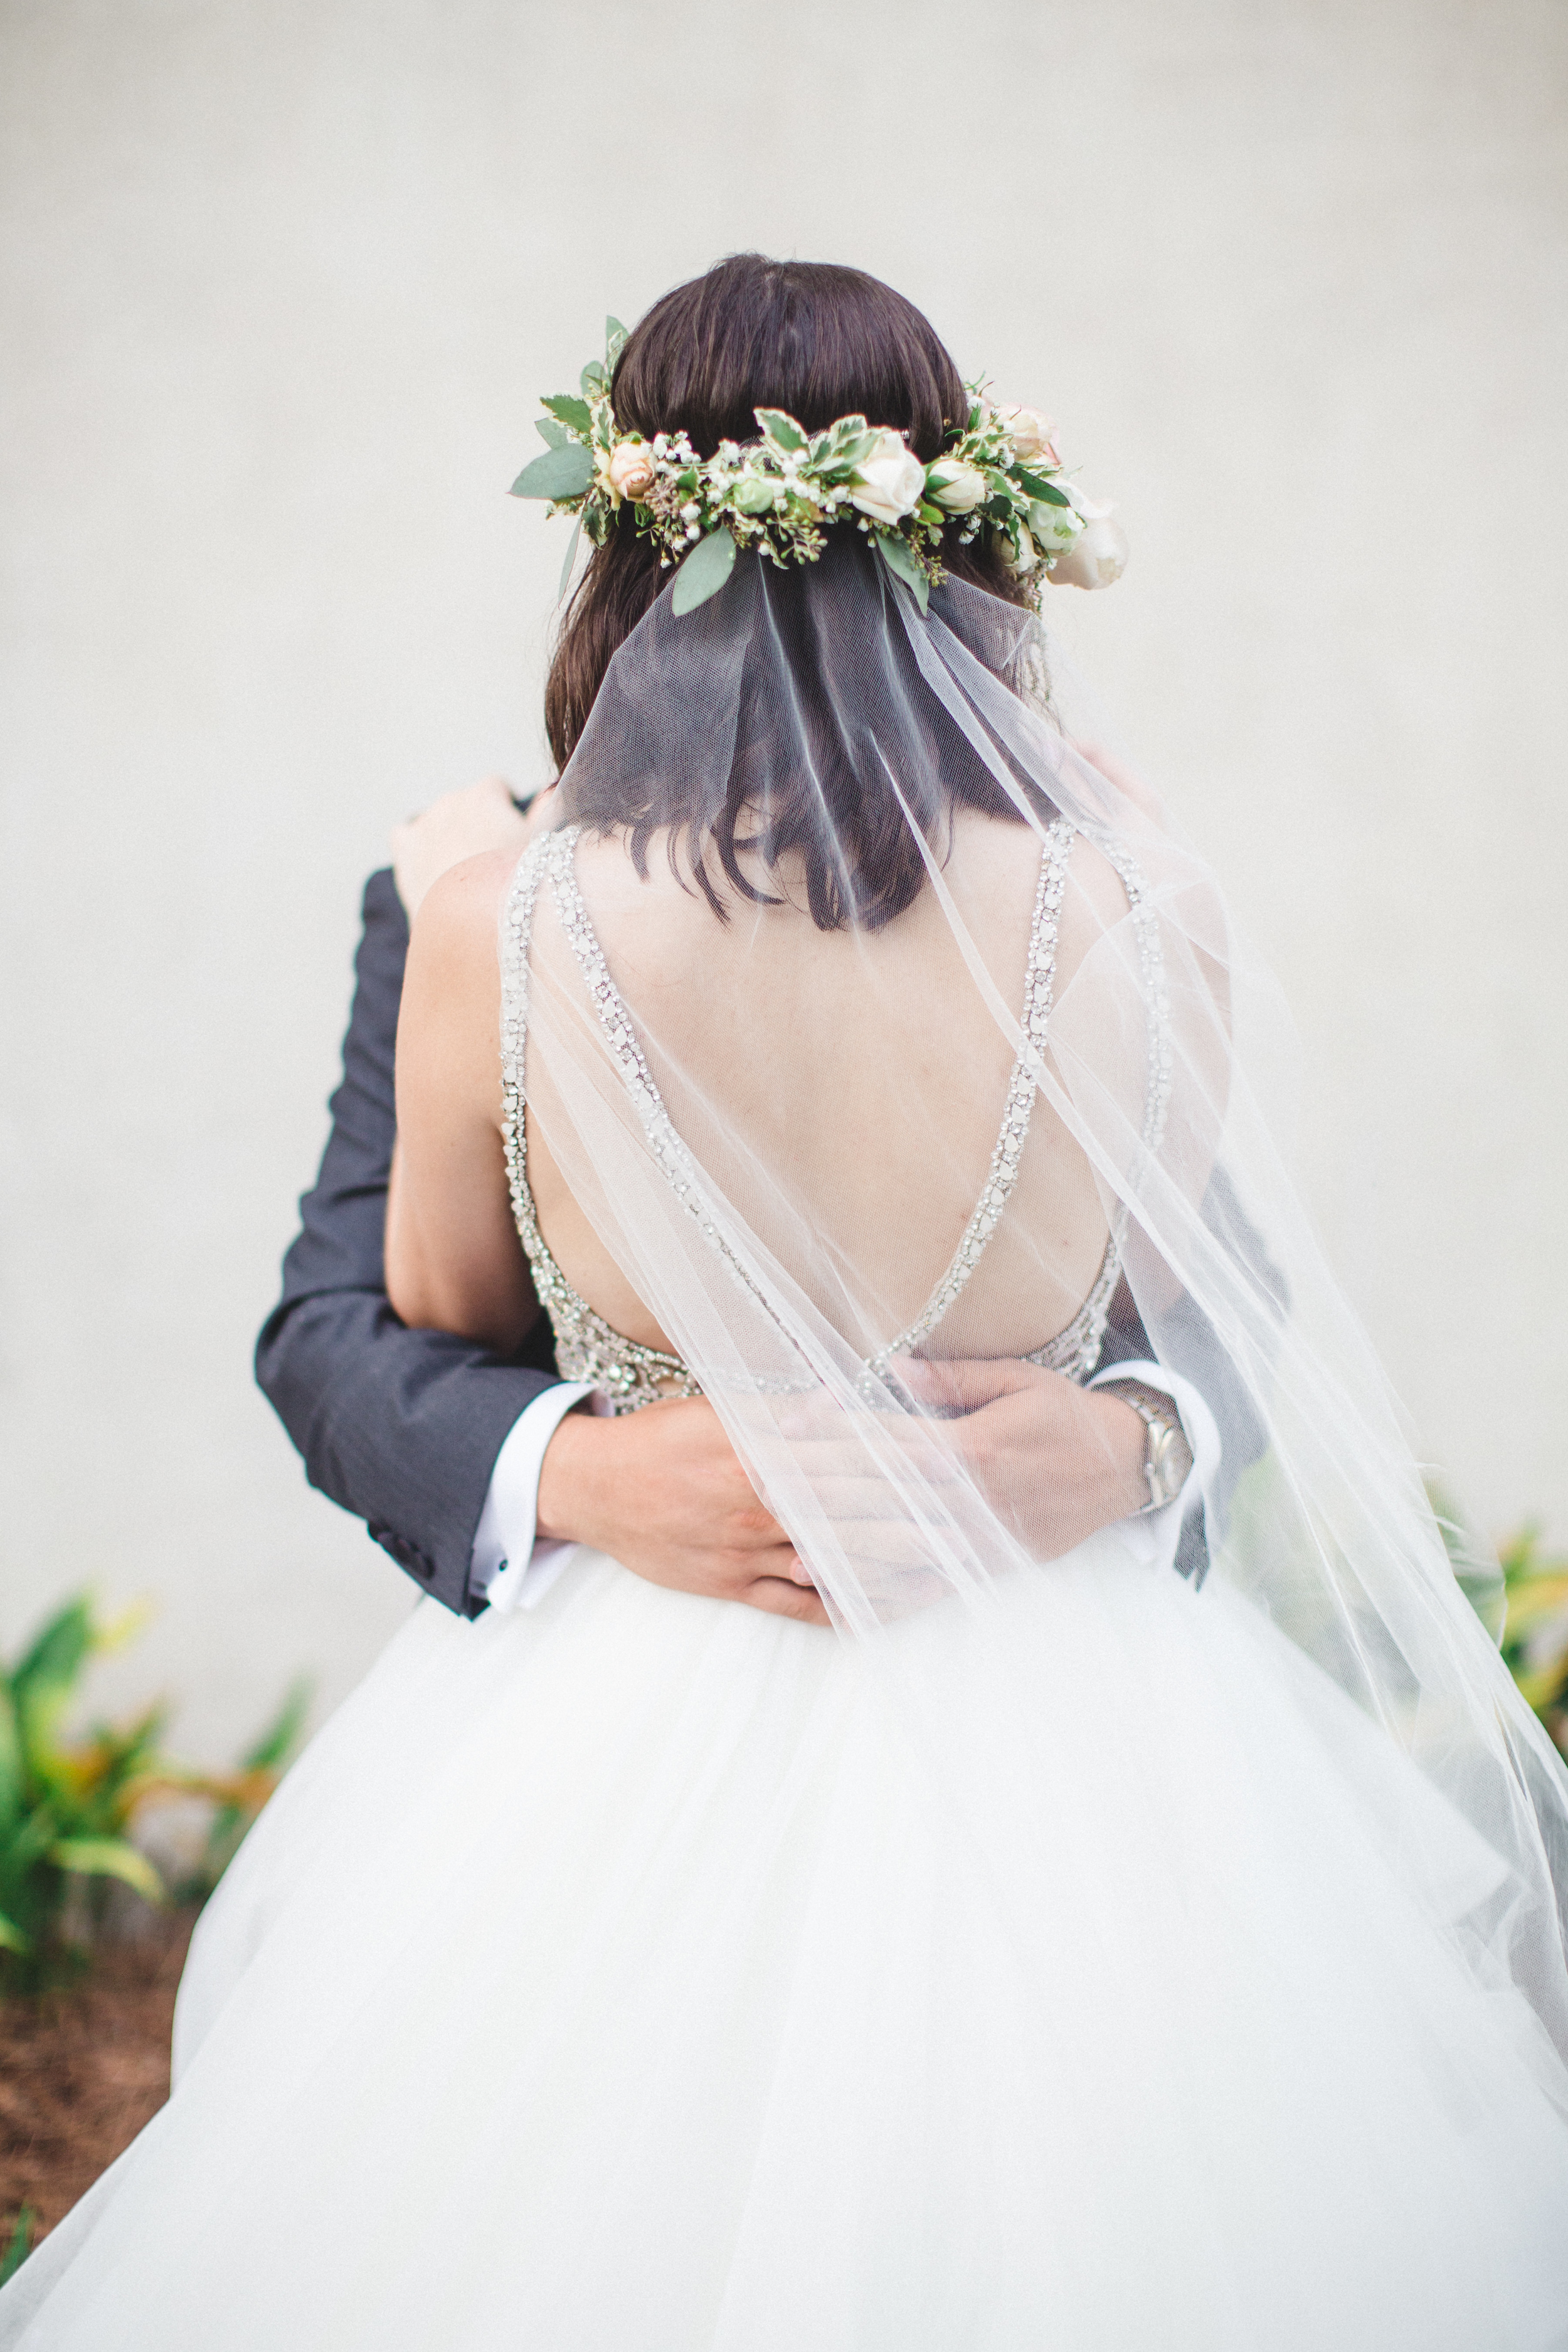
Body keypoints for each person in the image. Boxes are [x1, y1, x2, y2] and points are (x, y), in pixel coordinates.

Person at [8, 253, 1568, 2350]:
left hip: (629, 1715)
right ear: (972, 542)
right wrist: (1095, 1421)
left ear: (627, 544)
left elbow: (428, 1301)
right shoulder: (1140, 896)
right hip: (1074, 1707)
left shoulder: (493, 908)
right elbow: (1215, 1287)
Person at [254, 772, 1179, 1629]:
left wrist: (1137, 1443)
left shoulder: (1083, 877)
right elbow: (329, 1328)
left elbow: (1227, 1286)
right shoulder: (476, 893)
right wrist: (580, 1474)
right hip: (630, 1636)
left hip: (1022, 1622)